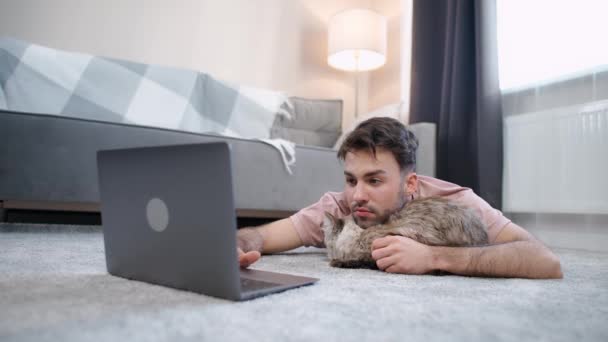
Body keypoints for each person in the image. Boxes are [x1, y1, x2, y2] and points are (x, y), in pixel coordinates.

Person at [237, 117, 563, 279]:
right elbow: (261, 235)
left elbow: (544, 261)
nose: (357, 196)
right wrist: (238, 245)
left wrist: (435, 258)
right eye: (351, 180)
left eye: (374, 180)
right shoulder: (337, 208)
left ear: (410, 184)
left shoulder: (455, 201)